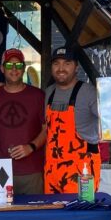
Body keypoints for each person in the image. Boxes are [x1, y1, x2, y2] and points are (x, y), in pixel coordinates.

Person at [0, 48, 46, 195]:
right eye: (9, 65)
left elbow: (47, 128)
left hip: (31, 171)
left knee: (33, 215)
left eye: (18, 65)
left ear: (24, 68)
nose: (14, 69)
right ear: (2, 69)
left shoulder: (38, 95)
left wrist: (31, 147)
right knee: (0, 215)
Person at [44, 45, 101, 195]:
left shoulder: (89, 92)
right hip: (52, 171)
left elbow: (109, 120)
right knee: (53, 214)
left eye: (67, 63)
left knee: (82, 212)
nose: (61, 68)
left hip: (82, 171)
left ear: (76, 67)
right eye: (56, 64)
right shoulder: (49, 93)